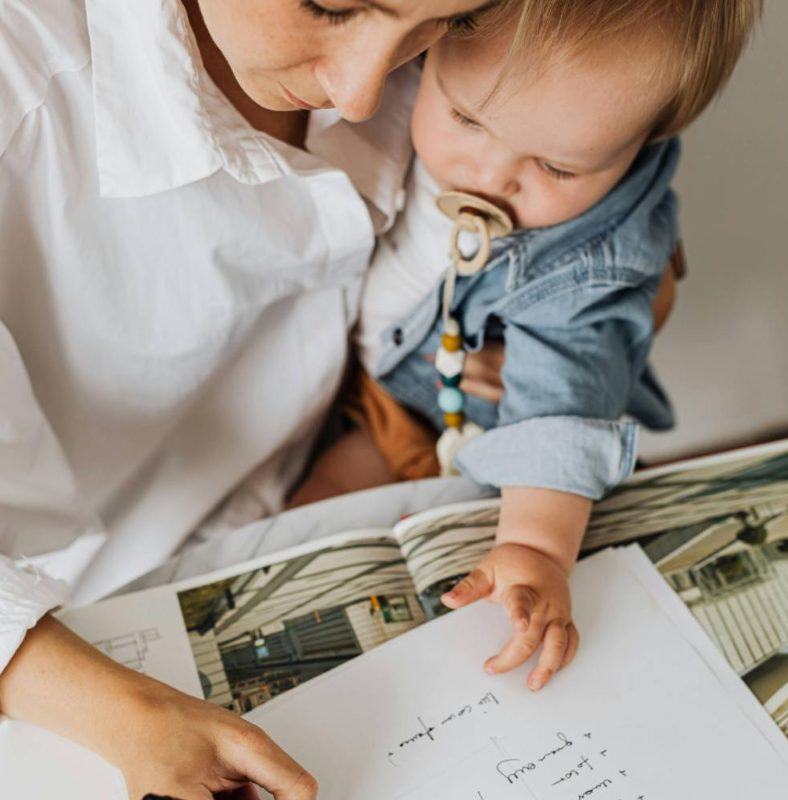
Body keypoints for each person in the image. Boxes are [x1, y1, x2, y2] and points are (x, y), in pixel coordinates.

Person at [0, 1, 514, 798]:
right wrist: (127, 715)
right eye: (333, 6)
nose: (362, 94)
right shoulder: (21, 88)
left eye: (442, 24)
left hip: (321, 506)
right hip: (57, 654)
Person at [292, 0, 763, 691]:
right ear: (430, 47)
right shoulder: (387, 72)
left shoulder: (589, 263)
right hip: (379, 389)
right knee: (305, 529)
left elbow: (559, 405)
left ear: (644, 144)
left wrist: (536, 546)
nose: (491, 174)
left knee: (346, 535)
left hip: (483, 444)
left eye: (556, 167)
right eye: (467, 120)